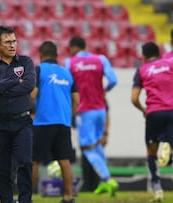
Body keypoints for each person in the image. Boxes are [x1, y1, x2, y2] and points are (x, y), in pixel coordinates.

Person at [0, 25, 36, 203]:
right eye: (8, 42)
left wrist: (1, 87)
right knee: (2, 168)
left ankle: (25, 200)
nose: (13, 45)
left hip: (22, 122)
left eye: (14, 41)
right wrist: (13, 81)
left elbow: (28, 86)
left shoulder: (26, 62)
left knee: (25, 163)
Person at [64, 36, 118, 197]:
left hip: (84, 110)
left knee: (88, 148)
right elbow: (113, 79)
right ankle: (104, 183)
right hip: (100, 109)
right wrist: (105, 90)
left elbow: (67, 85)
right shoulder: (101, 59)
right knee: (98, 145)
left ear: (74, 48)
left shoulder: (70, 62)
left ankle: (108, 179)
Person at [31, 41, 79, 203]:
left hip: (43, 122)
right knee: (64, 160)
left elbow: (32, 95)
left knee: (33, 160)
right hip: (63, 123)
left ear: (41, 55)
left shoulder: (39, 70)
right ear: (57, 55)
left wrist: (29, 112)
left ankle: (26, 198)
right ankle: (68, 197)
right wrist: (68, 115)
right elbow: (76, 99)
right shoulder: (67, 73)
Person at [131, 42, 173, 202]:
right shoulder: (172, 63)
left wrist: (144, 110)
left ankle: (158, 190)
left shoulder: (142, 70)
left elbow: (134, 98)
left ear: (143, 57)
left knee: (151, 153)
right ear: (159, 54)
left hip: (154, 113)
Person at [80, 99, 110, 192]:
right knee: (86, 159)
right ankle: (89, 185)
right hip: (87, 133)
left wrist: (105, 133)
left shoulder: (100, 98)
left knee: (95, 155)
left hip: (96, 136)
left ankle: (104, 180)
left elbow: (106, 115)